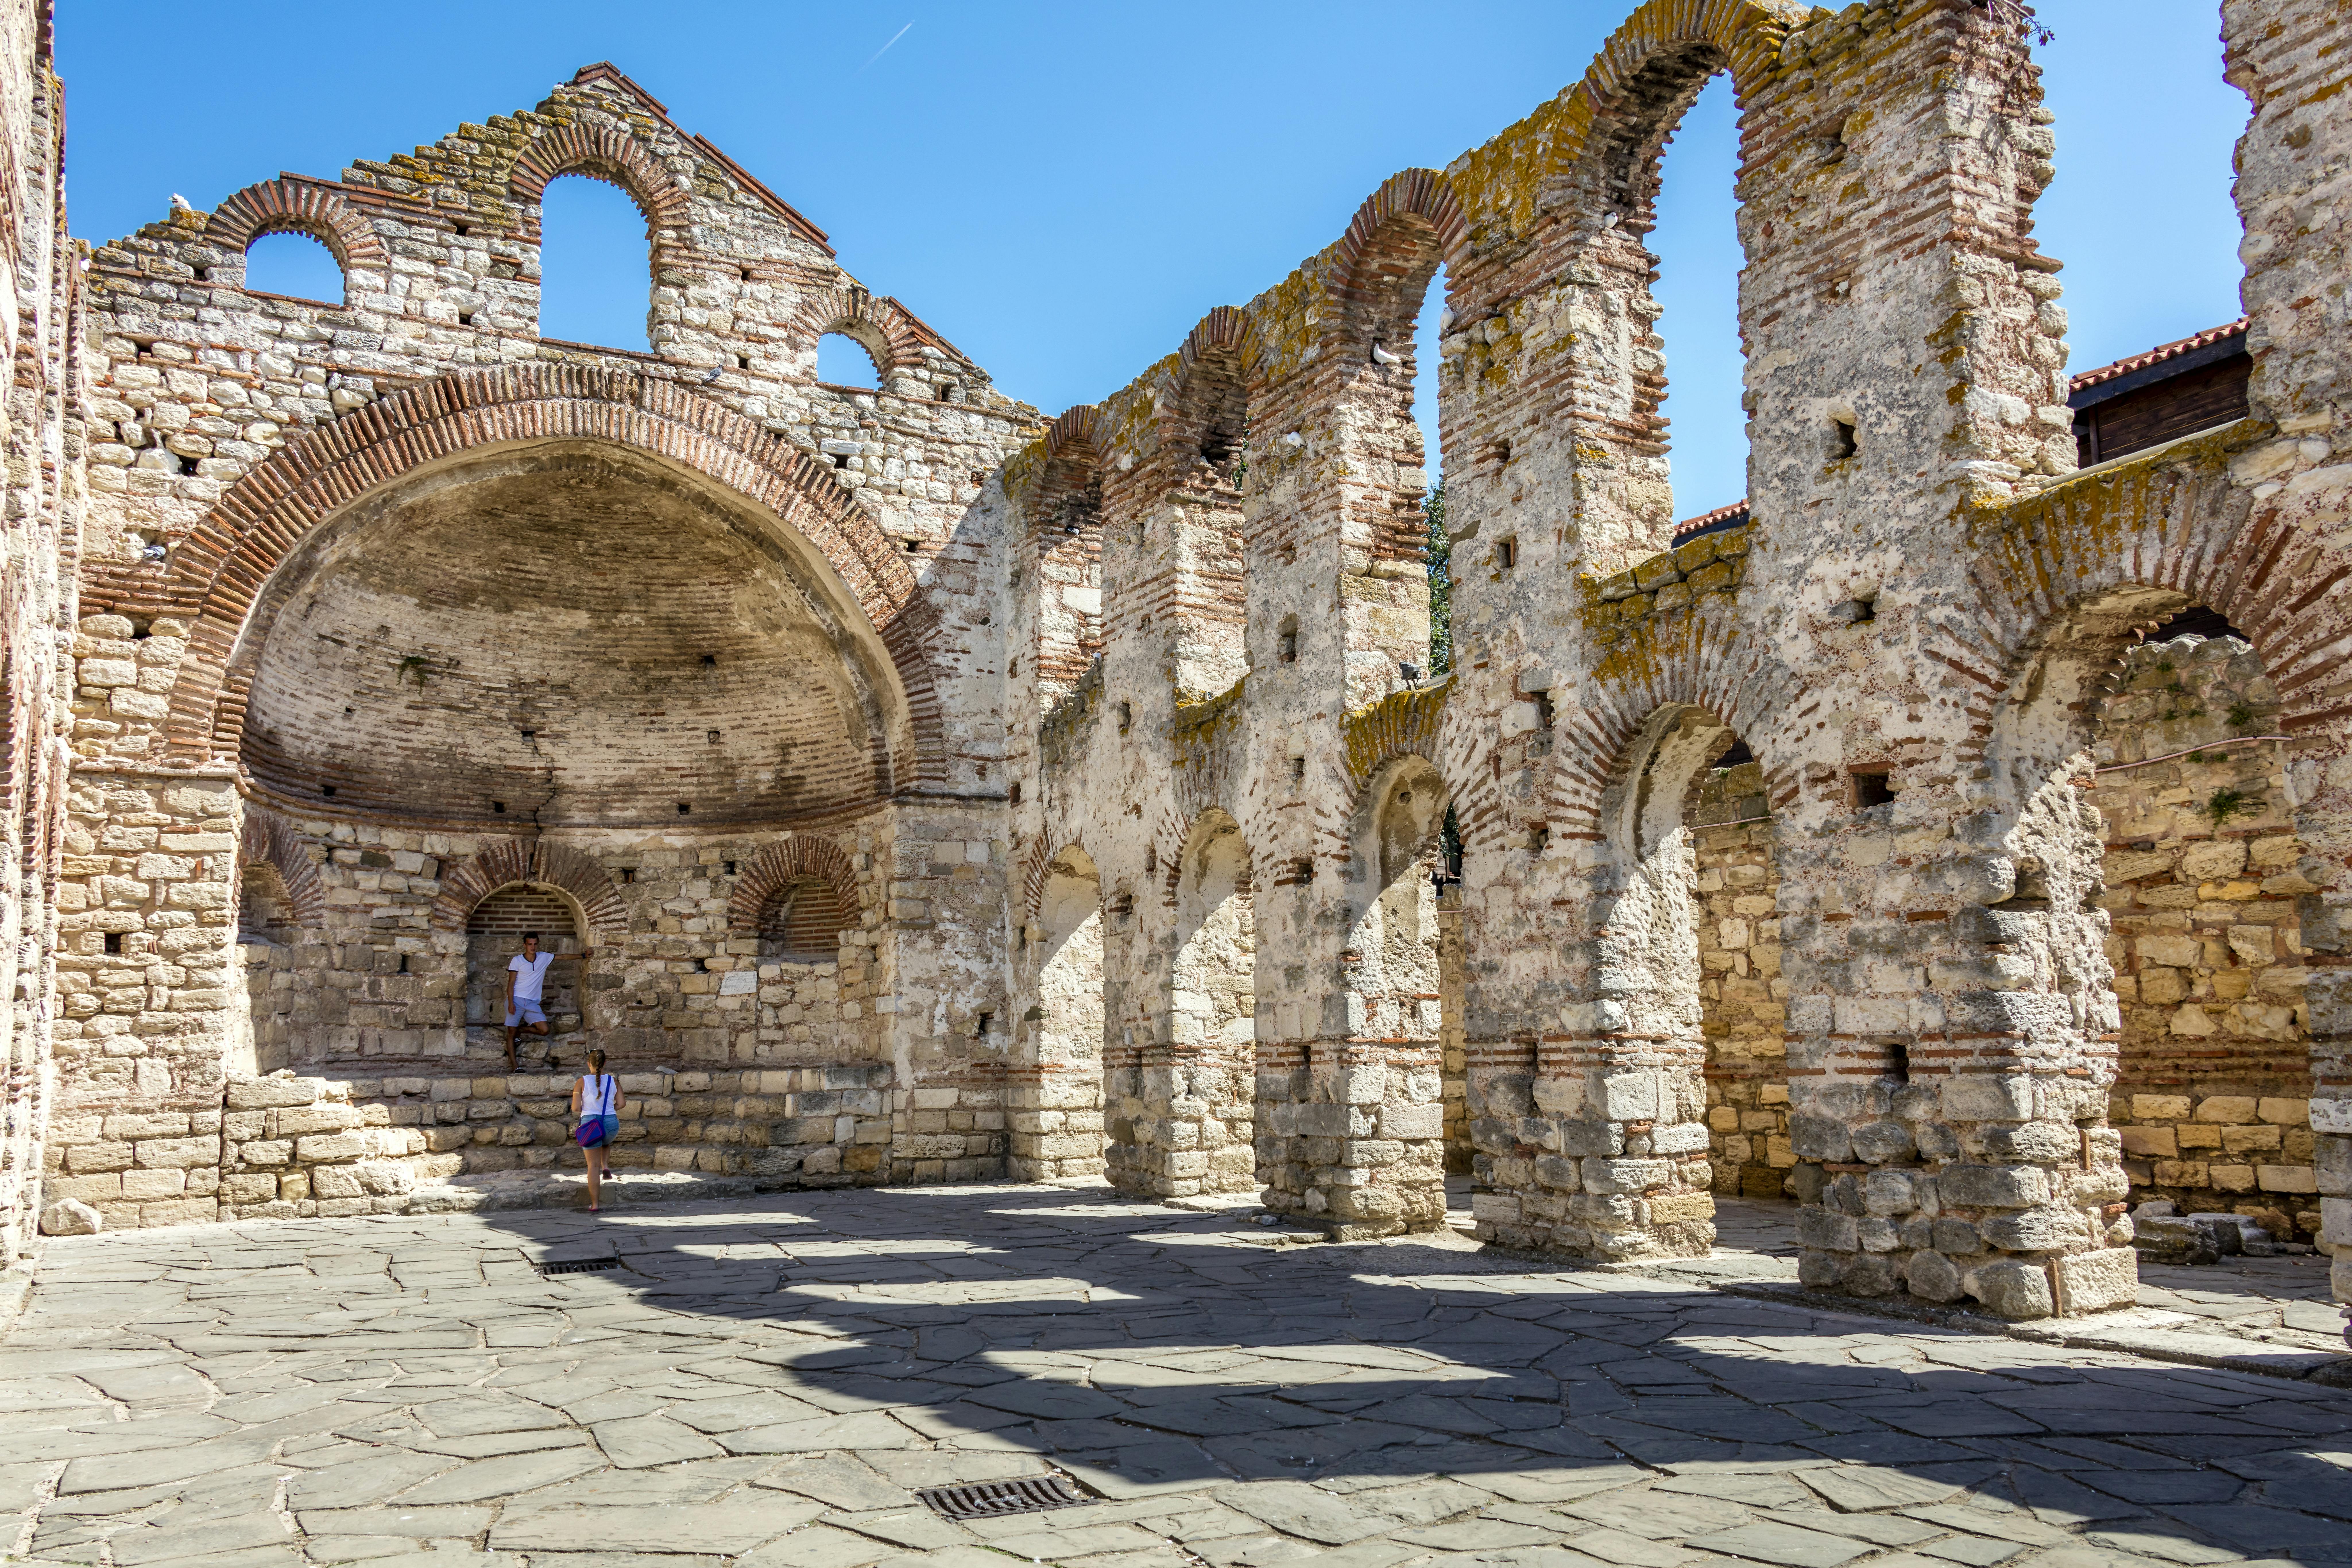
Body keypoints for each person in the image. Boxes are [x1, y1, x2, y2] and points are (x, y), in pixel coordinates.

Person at [504, 930, 590, 1069]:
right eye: (530, 944)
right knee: (511, 1034)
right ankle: (515, 1066)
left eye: (535, 944)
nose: (533, 947)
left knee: (545, 1030)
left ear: (538, 944)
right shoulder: (517, 961)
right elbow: (511, 983)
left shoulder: (543, 957)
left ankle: (520, 1030)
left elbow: (563, 957)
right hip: (517, 1000)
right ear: (524, 945)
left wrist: (583, 956)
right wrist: (511, 1003)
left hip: (533, 1003)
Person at [570, 1048, 624, 1213]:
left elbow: (575, 1108)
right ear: (605, 1063)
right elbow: (621, 1104)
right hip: (611, 1123)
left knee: (592, 1166)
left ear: (589, 1064)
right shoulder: (614, 1081)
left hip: (591, 1124)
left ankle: (595, 1205)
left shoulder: (582, 1082)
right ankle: (606, 1165)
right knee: (605, 1141)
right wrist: (609, 1109)